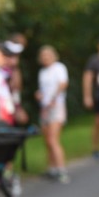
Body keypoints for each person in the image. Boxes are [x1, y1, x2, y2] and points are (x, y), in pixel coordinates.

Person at [37, 45, 69, 183]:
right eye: (43, 55)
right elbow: (43, 90)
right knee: (47, 140)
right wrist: (40, 96)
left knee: (53, 139)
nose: (46, 58)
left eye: (48, 55)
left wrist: (53, 98)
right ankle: (52, 168)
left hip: (56, 106)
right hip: (44, 108)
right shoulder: (42, 72)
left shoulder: (59, 68)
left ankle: (62, 170)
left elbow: (63, 84)